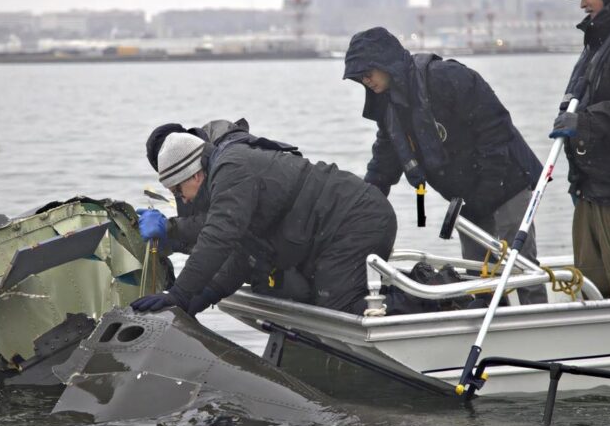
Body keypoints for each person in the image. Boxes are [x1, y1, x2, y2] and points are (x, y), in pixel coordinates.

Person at [343, 27, 547, 305]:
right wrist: (364, 202)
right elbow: (384, 160)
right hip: (468, 197)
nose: (366, 81)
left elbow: (495, 127)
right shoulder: (388, 106)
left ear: (384, 63)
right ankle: (491, 330)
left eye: (368, 72)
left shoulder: (445, 77)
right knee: (477, 276)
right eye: (359, 78)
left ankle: (538, 325)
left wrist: (489, 187)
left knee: (521, 265)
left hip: (507, 182)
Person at [131, 129, 397, 316]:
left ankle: (428, 302)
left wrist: (178, 294)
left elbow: (217, 238)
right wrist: (194, 302)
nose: (183, 201)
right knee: (320, 302)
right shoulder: (225, 179)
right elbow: (243, 258)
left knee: (339, 310)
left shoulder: (231, 170)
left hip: (358, 219)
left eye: (178, 191)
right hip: (341, 227)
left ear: (193, 176)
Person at [138, 119, 311, 305]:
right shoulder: (195, 175)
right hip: (280, 247)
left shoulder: (229, 164)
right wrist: (204, 293)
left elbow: (220, 233)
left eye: (177, 190)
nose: (183, 199)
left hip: (309, 235)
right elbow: (231, 242)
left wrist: (170, 228)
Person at [549, 0, 610, 298]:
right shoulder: (598, 41)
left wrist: (585, 122)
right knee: (589, 285)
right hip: (590, 190)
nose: (582, 4)